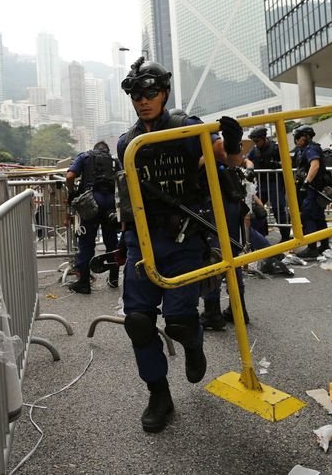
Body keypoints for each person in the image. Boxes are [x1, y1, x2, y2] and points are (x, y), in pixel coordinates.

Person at [117, 56, 242, 433]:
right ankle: (159, 394)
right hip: (144, 242)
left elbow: (225, 157)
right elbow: (126, 196)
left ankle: (193, 343)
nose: (143, 100)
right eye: (137, 94)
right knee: (138, 322)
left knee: (179, 322)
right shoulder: (128, 141)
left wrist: (231, 140)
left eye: (150, 92)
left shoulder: (185, 128)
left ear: (165, 94)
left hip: (185, 239)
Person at [201, 155, 249, 331]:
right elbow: (244, 161)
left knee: (213, 255)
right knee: (231, 257)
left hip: (214, 203)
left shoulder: (207, 147)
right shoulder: (226, 153)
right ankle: (239, 309)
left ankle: (212, 312)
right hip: (230, 202)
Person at [65, 141, 121, 293]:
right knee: (111, 242)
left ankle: (84, 282)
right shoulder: (115, 162)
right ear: (107, 151)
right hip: (110, 204)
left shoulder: (84, 156)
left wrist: (72, 193)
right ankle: (114, 278)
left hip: (90, 202)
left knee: (86, 243)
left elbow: (70, 176)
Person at [247, 127, 290, 242]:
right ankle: (261, 235)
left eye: (257, 141)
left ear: (264, 138)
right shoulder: (254, 150)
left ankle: (285, 237)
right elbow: (247, 160)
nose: (256, 144)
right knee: (256, 209)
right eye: (254, 141)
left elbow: (288, 161)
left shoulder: (275, 148)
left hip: (274, 183)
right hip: (260, 184)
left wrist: (278, 165)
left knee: (279, 210)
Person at [293, 125, 330, 259]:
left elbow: (315, 165)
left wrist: (307, 182)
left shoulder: (311, 148)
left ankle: (312, 248)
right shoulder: (304, 149)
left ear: (306, 137)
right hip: (313, 188)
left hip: (313, 188)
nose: (296, 140)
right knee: (318, 217)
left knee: (308, 215)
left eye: (299, 137)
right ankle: (325, 245)